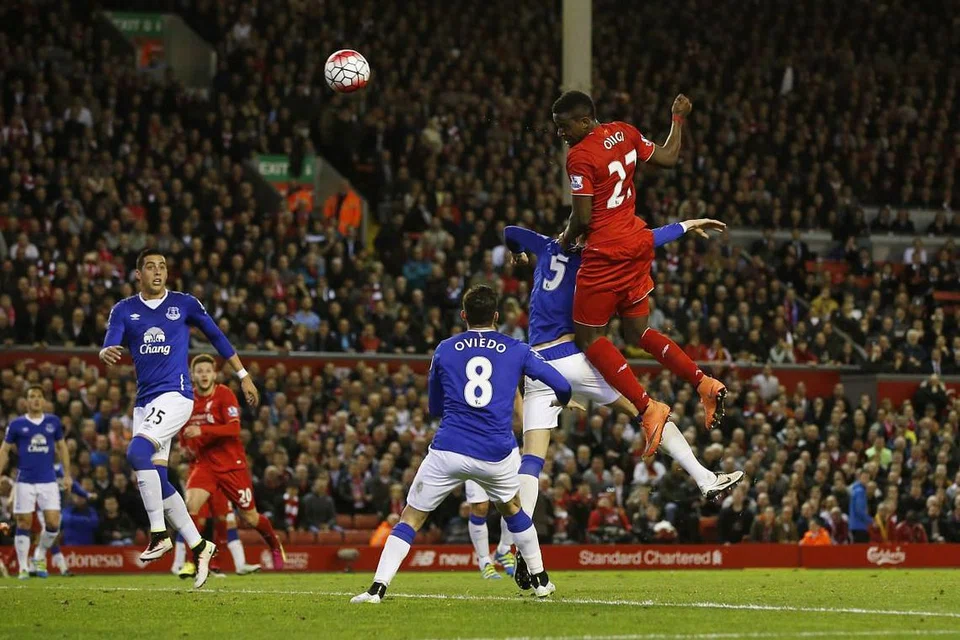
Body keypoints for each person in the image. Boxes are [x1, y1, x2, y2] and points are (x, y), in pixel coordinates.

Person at [503, 221, 743, 522]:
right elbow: (647, 240)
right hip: (574, 358)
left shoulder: (546, 245)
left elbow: (511, 232)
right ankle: (705, 478)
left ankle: (522, 545)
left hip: (536, 363)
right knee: (648, 411)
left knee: (532, 461)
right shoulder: (596, 258)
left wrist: (518, 254)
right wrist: (686, 225)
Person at [351, 285, 575, 603]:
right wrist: (561, 402)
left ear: (464, 315)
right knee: (513, 509)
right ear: (497, 316)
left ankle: (377, 588)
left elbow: (434, 408)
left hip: (449, 449)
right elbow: (561, 385)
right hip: (496, 453)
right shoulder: (517, 349)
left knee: (411, 517)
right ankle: (540, 582)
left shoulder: (445, 349)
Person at [551, 90, 727, 455]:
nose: (561, 134)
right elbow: (668, 156)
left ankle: (648, 407)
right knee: (638, 331)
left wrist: (566, 241)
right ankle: (703, 382)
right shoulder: (626, 132)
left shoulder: (580, 156)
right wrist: (677, 119)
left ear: (585, 121)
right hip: (637, 243)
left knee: (589, 339)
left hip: (606, 255)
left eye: (564, 127)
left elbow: (582, 219)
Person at [99, 249, 261, 589]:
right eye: (150, 267)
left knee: (136, 454)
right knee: (158, 477)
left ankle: (159, 534)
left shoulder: (184, 303)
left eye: (162, 266)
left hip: (176, 396)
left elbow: (217, 336)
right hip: (144, 403)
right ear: (138, 274)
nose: (158, 272)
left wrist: (243, 374)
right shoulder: (124, 310)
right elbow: (112, 339)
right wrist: (106, 350)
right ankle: (200, 546)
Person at [175, 354, 283, 578]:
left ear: (214, 374)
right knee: (190, 508)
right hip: (204, 464)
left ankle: (274, 544)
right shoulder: (188, 399)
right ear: (193, 376)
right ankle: (190, 562)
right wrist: (185, 446)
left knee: (250, 518)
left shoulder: (224, 395)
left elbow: (233, 429)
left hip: (232, 465)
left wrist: (203, 431)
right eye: (199, 371)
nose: (204, 374)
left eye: (207, 370)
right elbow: (184, 429)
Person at [0, 386, 70, 579]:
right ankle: (23, 567)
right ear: (26, 401)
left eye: (39, 396)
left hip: (48, 480)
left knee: (53, 524)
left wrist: (67, 474)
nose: (36, 400)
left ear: (44, 401)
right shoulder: (16, 425)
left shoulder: (53, 422)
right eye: (32, 397)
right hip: (25, 480)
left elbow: (62, 448)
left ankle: (39, 554)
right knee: (24, 522)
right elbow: (5, 450)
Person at [464, 478, 515, 580]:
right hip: (475, 463)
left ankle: (504, 549)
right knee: (480, 507)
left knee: (511, 504)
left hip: (505, 463)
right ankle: (485, 562)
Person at [848, 470, 871, 543]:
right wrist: (870, 520)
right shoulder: (860, 491)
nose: (866, 480)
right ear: (859, 478)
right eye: (864, 477)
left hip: (855, 526)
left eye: (867, 478)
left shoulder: (856, 490)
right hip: (860, 526)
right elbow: (859, 510)